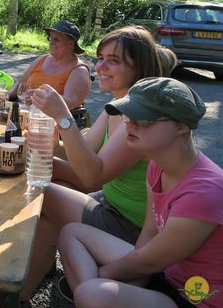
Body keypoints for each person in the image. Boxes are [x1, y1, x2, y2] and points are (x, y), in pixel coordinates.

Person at [21, 25, 162, 301]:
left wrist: (63, 116)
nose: (101, 67)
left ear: (139, 67)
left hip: (131, 226)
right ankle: (22, 292)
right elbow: (81, 153)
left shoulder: (139, 115)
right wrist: (46, 139)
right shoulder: (118, 106)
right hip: (112, 205)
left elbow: (91, 176)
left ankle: (90, 291)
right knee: (49, 194)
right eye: (100, 58)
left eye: (114, 61)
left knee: (41, 190)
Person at [58, 77, 222, 308]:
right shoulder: (157, 166)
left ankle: (88, 295)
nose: (130, 124)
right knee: (71, 234)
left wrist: (104, 275)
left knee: (92, 293)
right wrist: (125, 279)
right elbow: (148, 234)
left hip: (194, 297)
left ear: (181, 127)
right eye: (127, 115)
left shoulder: (204, 192)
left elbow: (150, 261)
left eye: (143, 118)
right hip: (165, 273)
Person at [7, 20, 91, 110]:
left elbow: (70, 103)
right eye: (50, 38)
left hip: (53, 121)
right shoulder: (42, 59)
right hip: (25, 112)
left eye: (56, 39)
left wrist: (39, 98)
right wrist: (3, 96)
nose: (51, 42)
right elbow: (20, 84)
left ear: (70, 44)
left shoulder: (79, 70)